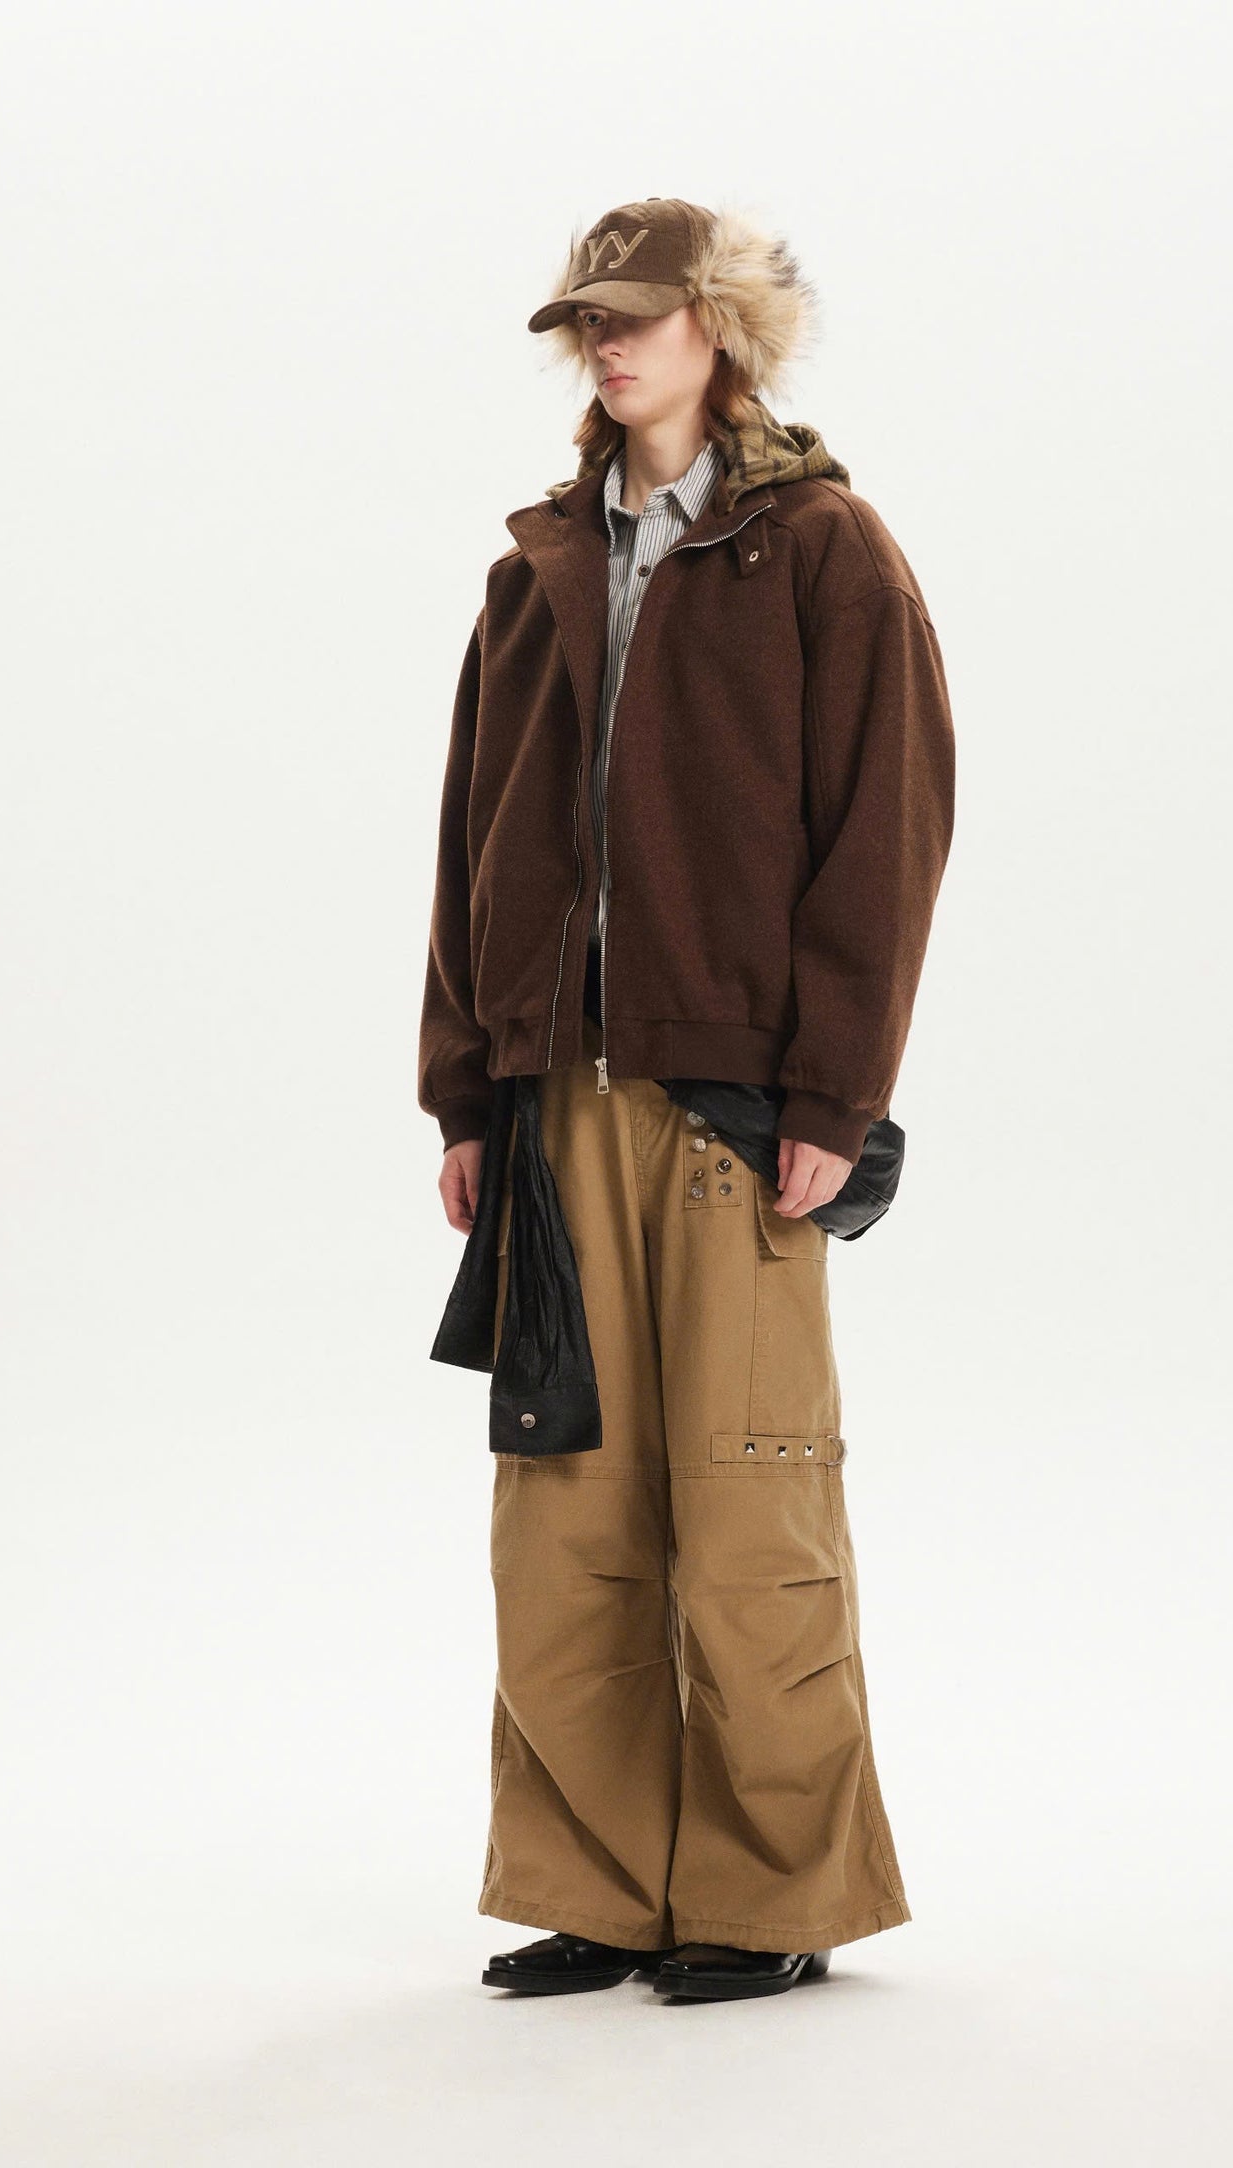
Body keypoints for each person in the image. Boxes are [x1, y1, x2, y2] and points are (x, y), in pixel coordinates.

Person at [417, 197, 956, 2003]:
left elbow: (883, 835)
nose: (605, 345)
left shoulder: (821, 551)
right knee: (565, 1516)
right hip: (551, 1097)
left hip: (733, 1106)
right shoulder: (537, 568)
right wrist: (464, 1092)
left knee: (745, 1505)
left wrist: (832, 1092)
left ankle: (766, 1892)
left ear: (717, 327)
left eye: (634, 316)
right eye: (585, 322)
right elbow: (472, 840)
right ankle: (601, 1886)